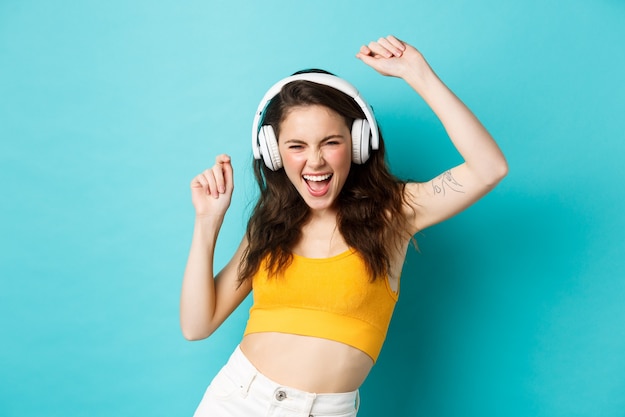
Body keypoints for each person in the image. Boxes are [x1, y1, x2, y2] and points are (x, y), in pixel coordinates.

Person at [180, 35, 508, 417]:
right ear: (273, 153)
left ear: (357, 143)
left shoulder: (394, 214)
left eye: (330, 142)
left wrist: (417, 73)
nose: (314, 161)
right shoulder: (269, 227)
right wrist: (208, 222)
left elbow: (489, 169)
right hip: (236, 400)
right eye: (296, 146)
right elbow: (197, 325)